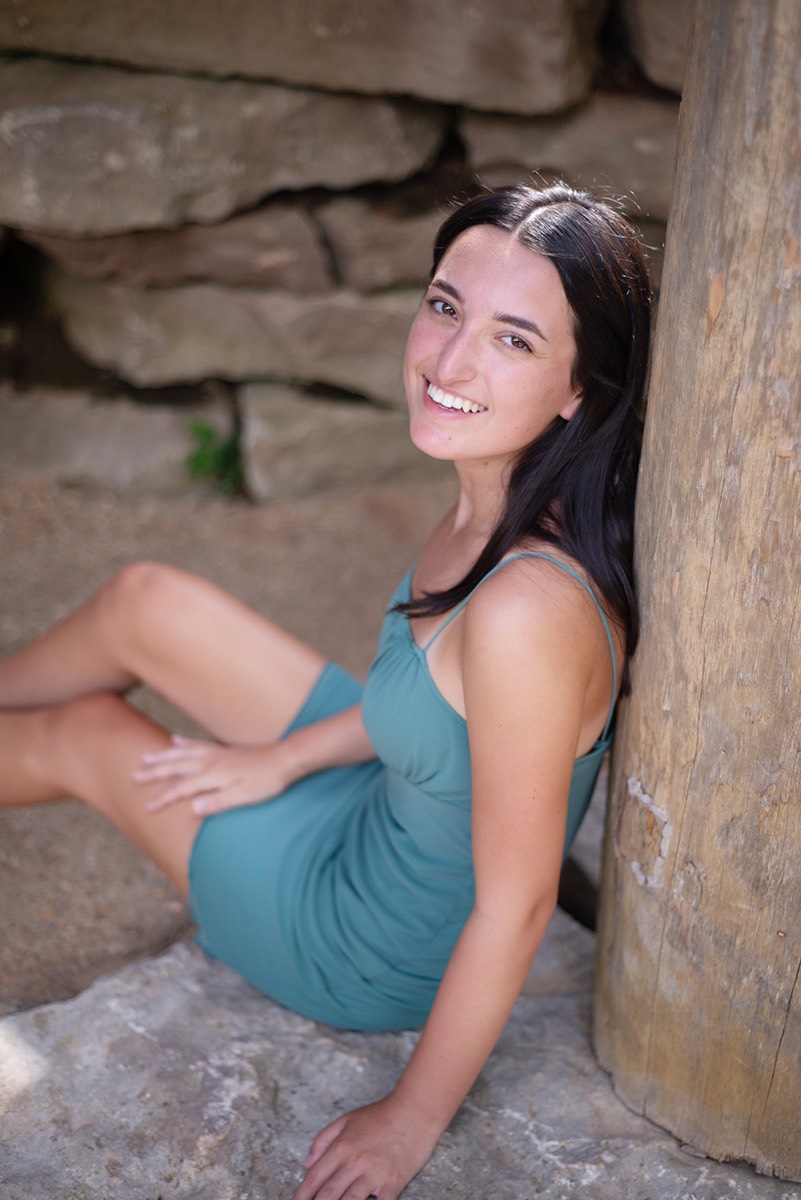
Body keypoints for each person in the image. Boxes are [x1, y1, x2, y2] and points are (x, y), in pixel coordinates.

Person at [0, 182, 651, 1200]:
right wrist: (282, 757)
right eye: (446, 306)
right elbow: (431, 715)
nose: (451, 360)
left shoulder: (529, 610)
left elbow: (519, 904)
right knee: (146, 601)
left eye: (514, 340)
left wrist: (409, 1118)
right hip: (376, 797)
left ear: (581, 390)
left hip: (366, 937)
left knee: (88, 732)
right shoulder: (496, 501)